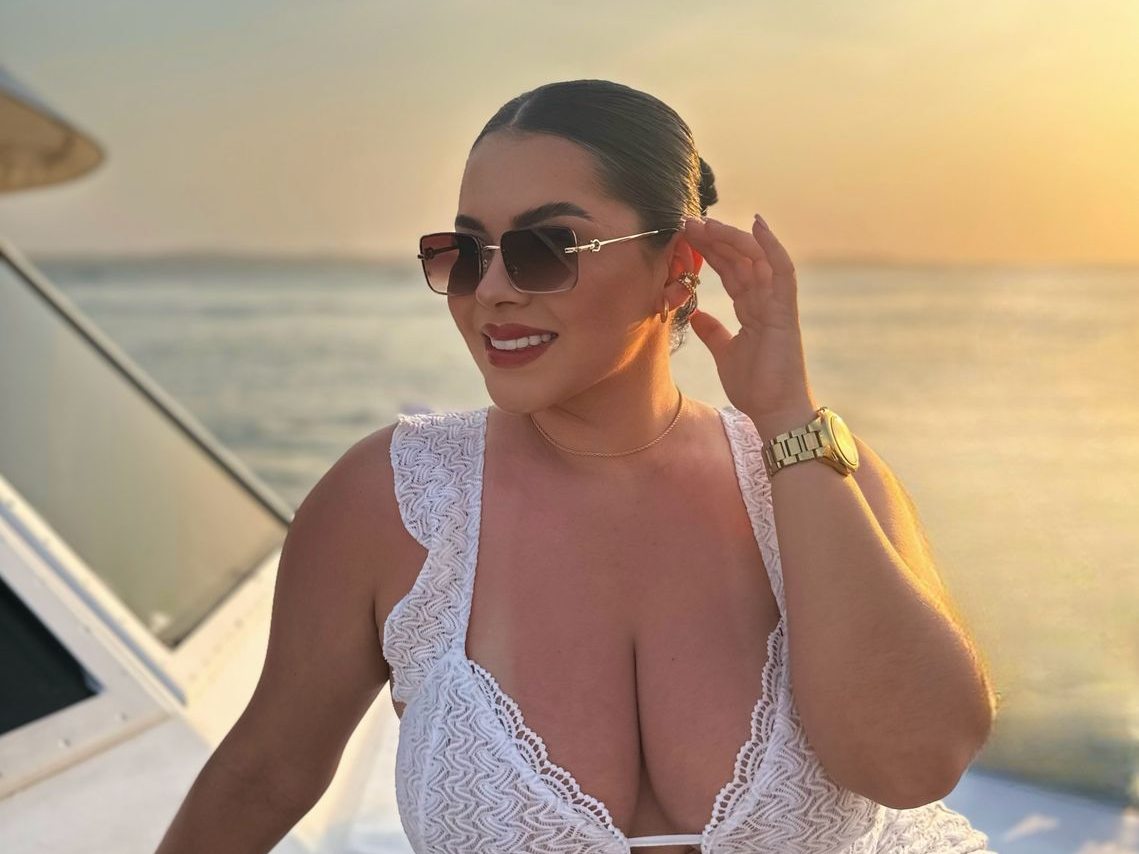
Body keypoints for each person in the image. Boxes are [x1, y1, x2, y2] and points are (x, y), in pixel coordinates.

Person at [155, 78, 999, 854]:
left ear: (676, 268)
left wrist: (786, 415)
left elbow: (914, 766)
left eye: (545, 248)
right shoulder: (395, 503)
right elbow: (265, 776)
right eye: (464, 252)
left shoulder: (809, 471)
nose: (491, 289)